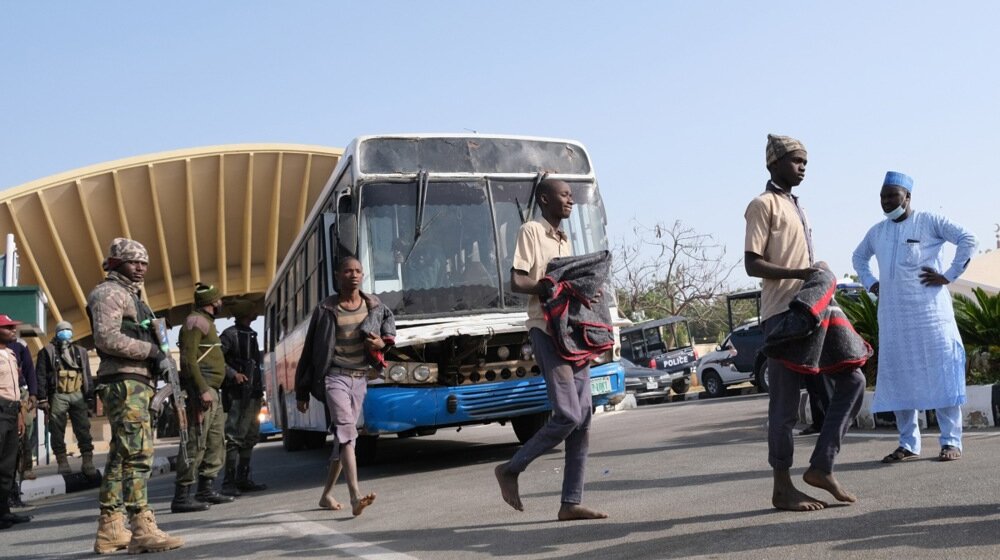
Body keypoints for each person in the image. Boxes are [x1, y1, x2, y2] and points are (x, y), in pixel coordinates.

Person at [744, 134, 866, 511]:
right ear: (774, 163)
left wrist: (819, 274)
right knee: (783, 407)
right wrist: (803, 272)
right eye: (796, 161)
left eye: (805, 162)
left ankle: (821, 467)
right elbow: (752, 263)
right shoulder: (762, 205)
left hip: (813, 313)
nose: (803, 167)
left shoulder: (799, 207)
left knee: (853, 380)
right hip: (783, 316)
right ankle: (782, 488)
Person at [494, 178, 609, 521]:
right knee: (568, 415)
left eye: (572, 195)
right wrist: (548, 286)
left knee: (584, 419)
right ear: (545, 199)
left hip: (572, 333)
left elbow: (565, 288)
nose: (571, 199)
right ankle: (511, 468)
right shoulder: (531, 231)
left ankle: (570, 502)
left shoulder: (565, 239)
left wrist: (586, 292)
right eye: (564, 194)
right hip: (545, 330)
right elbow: (517, 281)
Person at [852, 171, 977, 463]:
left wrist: (948, 276)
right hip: (895, 321)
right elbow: (858, 258)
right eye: (882, 197)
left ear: (907, 197)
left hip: (931, 317)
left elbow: (968, 239)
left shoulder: (930, 221)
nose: (885, 202)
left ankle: (950, 441)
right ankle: (908, 443)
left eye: (891, 196)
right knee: (899, 380)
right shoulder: (877, 232)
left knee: (942, 373)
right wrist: (871, 283)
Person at [88, 237, 182, 553]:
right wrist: (152, 351)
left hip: (137, 381)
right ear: (115, 263)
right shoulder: (109, 293)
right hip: (124, 382)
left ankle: (111, 528)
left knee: (119, 456)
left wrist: (162, 358)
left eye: (144, 263)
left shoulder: (133, 296)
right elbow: (107, 338)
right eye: (133, 262)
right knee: (138, 454)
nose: (140, 268)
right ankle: (141, 526)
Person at [295, 256, 394, 517]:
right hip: (334, 376)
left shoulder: (374, 305)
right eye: (348, 271)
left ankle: (326, 494)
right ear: (338, 275)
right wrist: (302, 391)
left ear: (363, 275)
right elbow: (309, 352)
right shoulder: (326, 309)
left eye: (358, 271)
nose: (353, 275)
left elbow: (388, 335)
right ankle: (355, 496)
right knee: (347, 431)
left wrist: (382, 346)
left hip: (360, 378)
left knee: (343, 438)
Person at [170, 283, 236, 512]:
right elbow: (188, 360)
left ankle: (206, 488)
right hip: (203, 392)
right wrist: (201, 389)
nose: (221, 303)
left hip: (213, 392)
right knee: (195, 442)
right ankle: (182, 496)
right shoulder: (195, 322)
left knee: (215, 441)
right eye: (218, 300)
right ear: (212, 302)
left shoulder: (207, 323)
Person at [219, 299, 267, 496]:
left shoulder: (250, 334)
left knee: (250, 436)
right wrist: (233, 374)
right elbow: (216, 359)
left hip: (252, 392)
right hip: (238, 393)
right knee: (234, 437)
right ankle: (229, 482)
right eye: (253, 307)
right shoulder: (230, 335)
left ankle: (243, 478)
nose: (256, 310)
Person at [36, 321, 97, 476]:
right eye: (62, 330)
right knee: (56, 429)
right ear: (56, 333)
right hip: (58, 394)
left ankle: (87, 460)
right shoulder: (47, 351)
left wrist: (90, 396)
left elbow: (87, 375)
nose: (65, 333)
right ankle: (62, 461)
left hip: (77, 394)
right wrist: (42, 398)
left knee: (83, 427)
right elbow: (41, 376)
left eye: (68, 330)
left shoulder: (80, 351)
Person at [0, 314, 32, 530]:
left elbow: (15, 388)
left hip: (12, 411)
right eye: (8, 327)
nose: (13, 330)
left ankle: (4, 512)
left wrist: (20, 415)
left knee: (7, 466)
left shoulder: (11, 354)